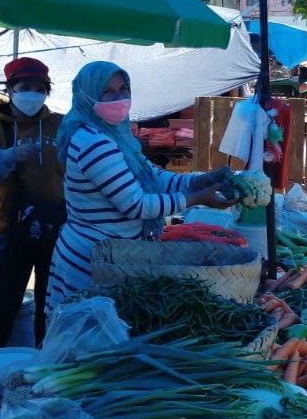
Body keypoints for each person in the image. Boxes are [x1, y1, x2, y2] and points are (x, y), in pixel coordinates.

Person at [48, 61, 232, 305]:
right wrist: (195, 198)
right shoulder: (92, 142)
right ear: (87, 96)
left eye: (124, 88)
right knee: (89, 335)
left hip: (112, 255)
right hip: (91, 261)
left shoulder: (114, 134)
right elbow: (136, 205)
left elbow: (152, 176)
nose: (119, 97)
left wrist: (196, 181)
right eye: (107, 91)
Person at [0, 57, 65, 352]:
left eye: (40, 88)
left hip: (58, 229)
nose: (33, 94)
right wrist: (10, 156)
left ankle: (42, 371)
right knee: (4, 307)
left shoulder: (60, 124)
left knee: (49, 307)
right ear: (10, 89)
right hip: (10, 231)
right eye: (26, 87)